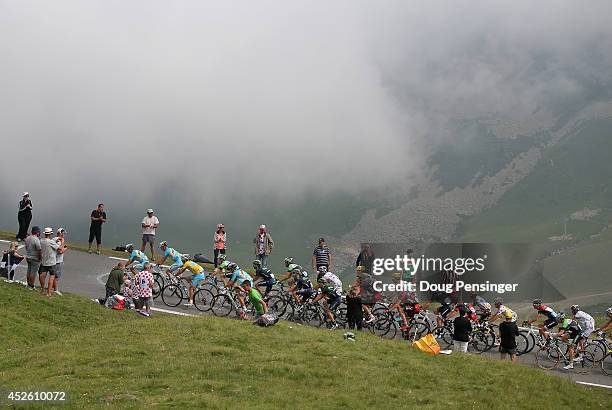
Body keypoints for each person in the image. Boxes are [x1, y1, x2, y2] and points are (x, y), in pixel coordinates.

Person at [39, 227, 59, 296]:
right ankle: (49, 292)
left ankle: (42, 289)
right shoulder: (51, 242)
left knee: (42, 275)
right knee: (52, 276)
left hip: (44, 261)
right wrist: (62, 242)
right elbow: (59, 248)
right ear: (50, 234)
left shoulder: (41, 240)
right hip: (51, 262)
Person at [52, 228, 68, 295]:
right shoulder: (59, 241)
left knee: (53, 275)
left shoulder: (54, 239)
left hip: (53, 260)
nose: (64, 235)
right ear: (60, 233)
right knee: (56, 277)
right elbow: (60, 251)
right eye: (63, 233)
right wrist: (65, 248)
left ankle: (52, 288)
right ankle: (55, 290)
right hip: (58, 261)